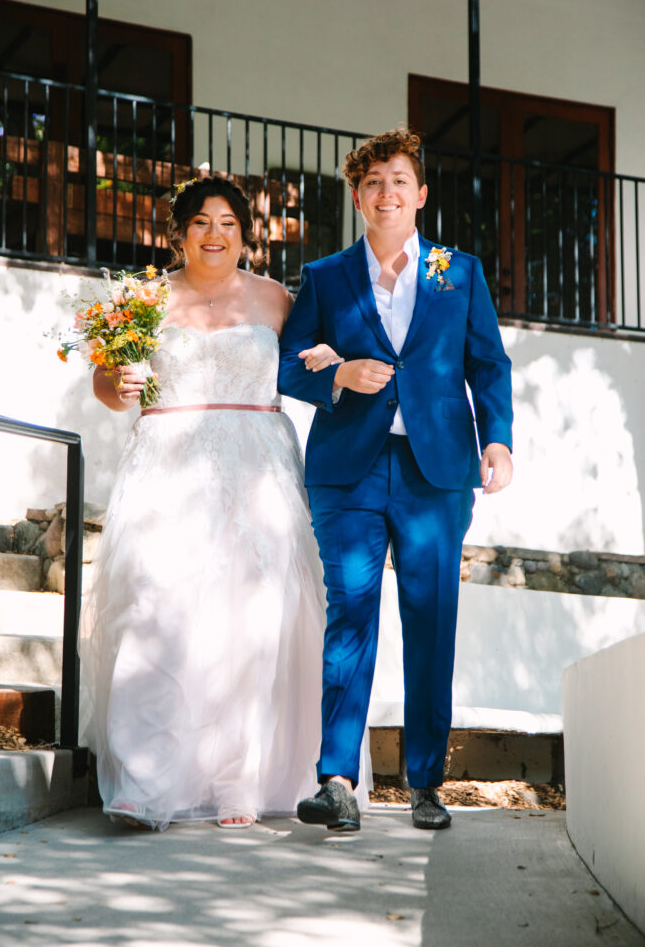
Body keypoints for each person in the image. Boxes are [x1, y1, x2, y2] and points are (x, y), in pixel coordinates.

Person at [79, 175, 361, 830]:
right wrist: (115, 386)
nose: (214, 234)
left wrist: (330, 361)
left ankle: (241, 778)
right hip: (166, 463)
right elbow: (103, 380)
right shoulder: (142, 301)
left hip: (257, 464)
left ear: (243, 234)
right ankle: (144, 783)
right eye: (201, 222)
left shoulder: (279, 301)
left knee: (252, 616)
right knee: (157, 604)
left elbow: (310, 364)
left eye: (228, 223)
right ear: (178, 233)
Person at [278, 127, 513, 833]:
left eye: (399, 180)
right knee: (349, 615)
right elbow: (287, 365)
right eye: (373, 181)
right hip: (346, 474)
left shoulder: (457, 272)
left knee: (430, 622)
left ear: (420, 194)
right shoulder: (324, 276)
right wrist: (338, 376)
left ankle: (425, 784)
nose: (387, 193)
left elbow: (488, 366)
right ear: (357, 196)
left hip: (437, 474)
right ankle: (336, 781)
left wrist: (497, 440)